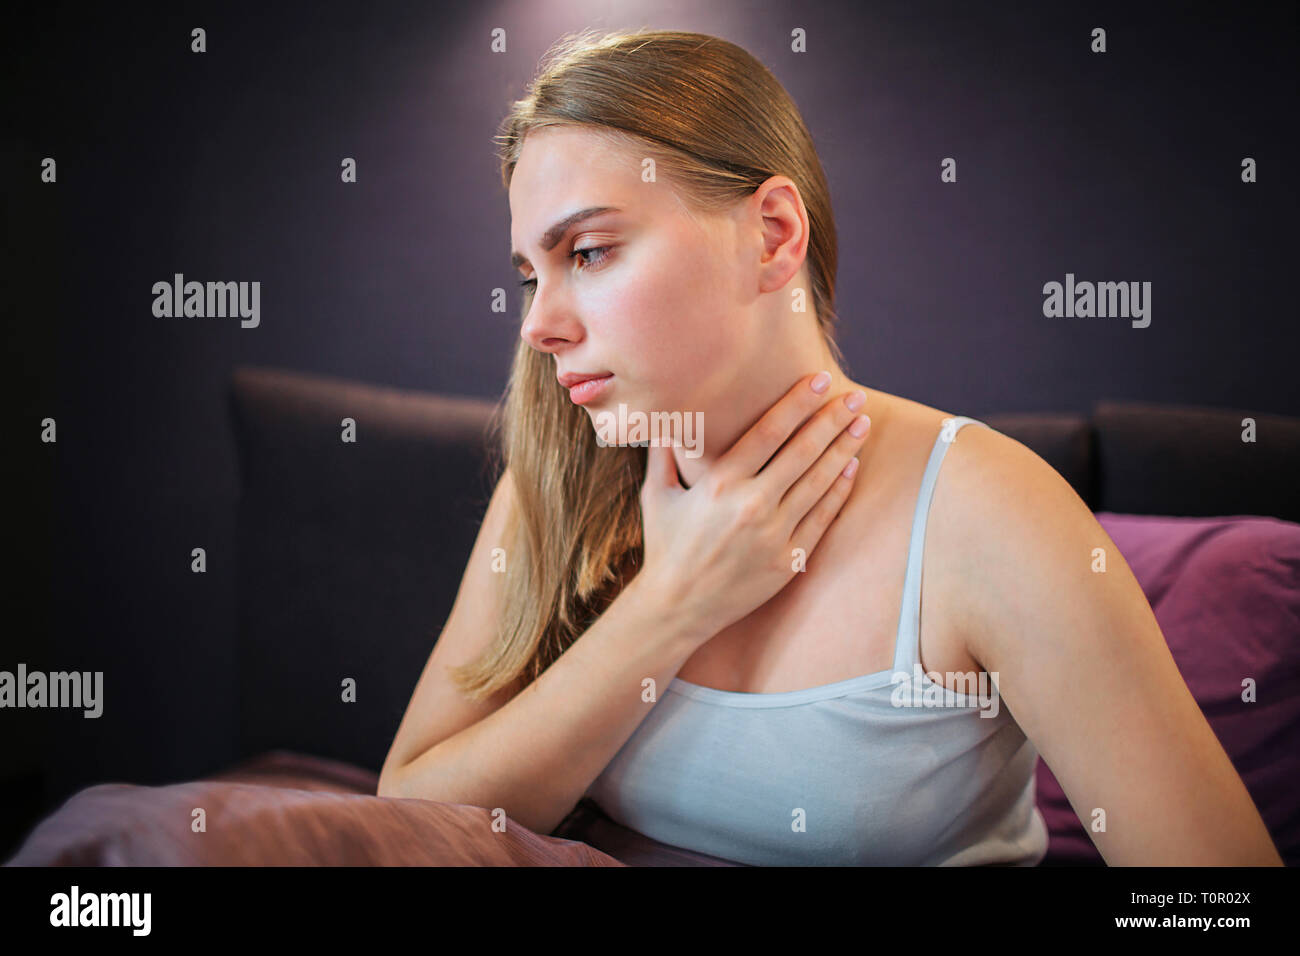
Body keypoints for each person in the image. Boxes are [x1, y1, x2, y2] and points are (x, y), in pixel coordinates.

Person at [378, 28, 1282, 866]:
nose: (537, 325)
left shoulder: (988, 514)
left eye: (589, 252)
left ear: (772, 234)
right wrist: (671, 605)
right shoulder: (560, 484)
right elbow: (410, 808)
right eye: (530, 275)